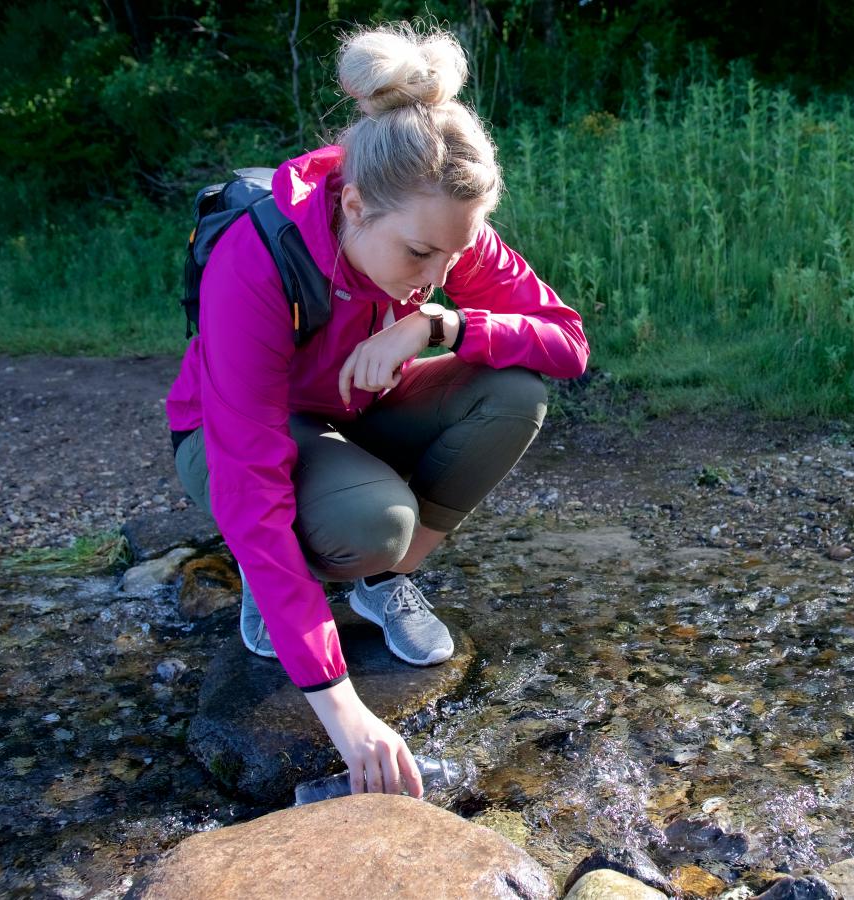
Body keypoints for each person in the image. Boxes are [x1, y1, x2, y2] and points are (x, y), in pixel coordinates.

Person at [164, 22, 588, 800]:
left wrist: (440, 323)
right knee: (368, 525)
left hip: (357, 407)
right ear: (354, 204)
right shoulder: (258, 260)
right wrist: (341, 706)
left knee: (515, 390)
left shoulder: (438, 226)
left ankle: (387, 579)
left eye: (454, 256)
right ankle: (287, 583)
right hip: (237, 435)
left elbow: (567, 344)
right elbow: (249, 475)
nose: (438, 270)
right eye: (421, 256)